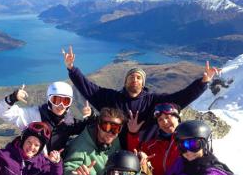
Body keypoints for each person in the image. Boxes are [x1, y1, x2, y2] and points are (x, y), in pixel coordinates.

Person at [62, 46, 220, 144]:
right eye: (131, 77)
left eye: (139, 78)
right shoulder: (111, 98)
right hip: (115, 150)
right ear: (125, 82)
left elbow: (182, 97)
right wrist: (72, 69)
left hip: (146, 152)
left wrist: (203, 81)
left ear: (143, 84)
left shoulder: (154, 101)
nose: (135, 80)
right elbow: (89, 88)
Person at [0, 81, 94, 175]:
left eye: (65, 101)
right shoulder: (33, 116)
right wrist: (12, 98)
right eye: (56, 100)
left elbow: (86, 127)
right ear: (49, 99)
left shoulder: (68, 122)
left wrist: (90, 116)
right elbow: (5, 114)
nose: (60, 105)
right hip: (34, 172)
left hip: (54, 171)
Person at [129, 103, 182, 175]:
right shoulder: (153, 145)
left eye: (168, 117)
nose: (165, 122)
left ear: (177, 117)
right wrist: (133, 135)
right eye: (160, 119)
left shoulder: (188, 141)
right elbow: (134, 154)